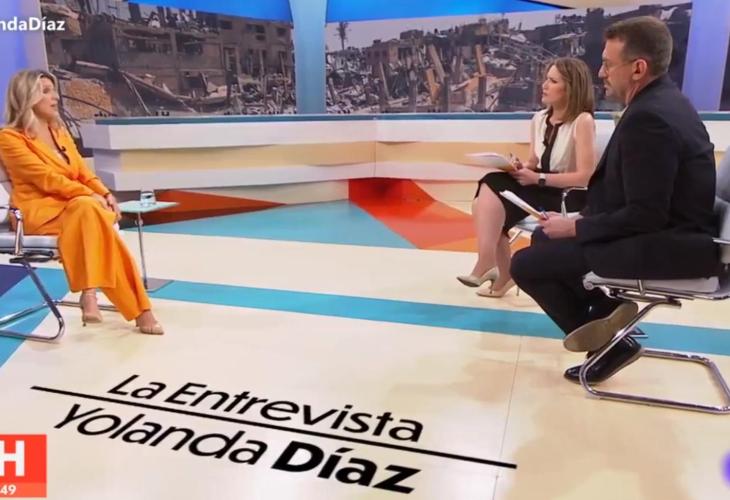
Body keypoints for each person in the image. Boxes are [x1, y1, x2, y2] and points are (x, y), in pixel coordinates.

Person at [510, 17, 718, 383]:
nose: (601, 72)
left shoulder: (650, 118)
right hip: (671, 231)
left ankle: (611, 343)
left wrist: (577, 226)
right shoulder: (663, 102)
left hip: (668, 244)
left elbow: (647, 215)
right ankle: (607, 315)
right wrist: (577, 222)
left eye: (608, 64)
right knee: (543, 238)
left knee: (526, 264)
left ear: (638, 68)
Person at [0, 69, 164, 335]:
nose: (55, 97)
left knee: (90, 216)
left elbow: (83, 172)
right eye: (46, 91)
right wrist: (89, 195)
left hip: (77, 209)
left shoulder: (59, 132)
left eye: (53, 90)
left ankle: (90, 294)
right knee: (90, 213)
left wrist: (105, 193)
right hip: (40, 213)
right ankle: (140, 310)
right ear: (26, 97)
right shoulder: (9, 138)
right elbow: (45, 179)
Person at [458, 57, 597, 298]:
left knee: (487, 194)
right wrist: (519, 167)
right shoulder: (539, 119)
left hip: (566, 193)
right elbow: (534, 161)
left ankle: (491, 266)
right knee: (486, 197)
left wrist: (538, 178)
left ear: (570, 88)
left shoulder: (582, 121)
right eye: (546, 79)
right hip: (538, 186)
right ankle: (499, 270)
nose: (544, 85)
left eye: (553, 81)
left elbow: (585, 177)